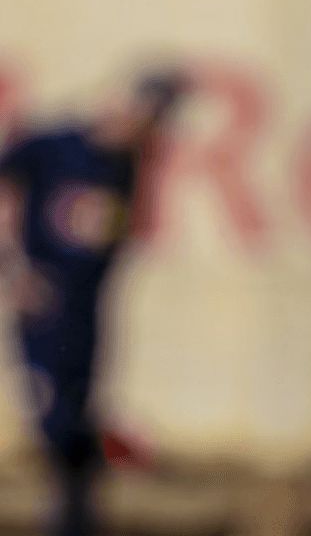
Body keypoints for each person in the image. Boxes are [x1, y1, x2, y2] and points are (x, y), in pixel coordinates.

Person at [0, 70, 187, 536]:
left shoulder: (126, 164)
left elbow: (110, 240)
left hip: (87, 313)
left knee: (76, 415)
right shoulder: (53, 145)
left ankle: (77, 514)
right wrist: (15, 269)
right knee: (56, 421)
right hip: (44, 310)